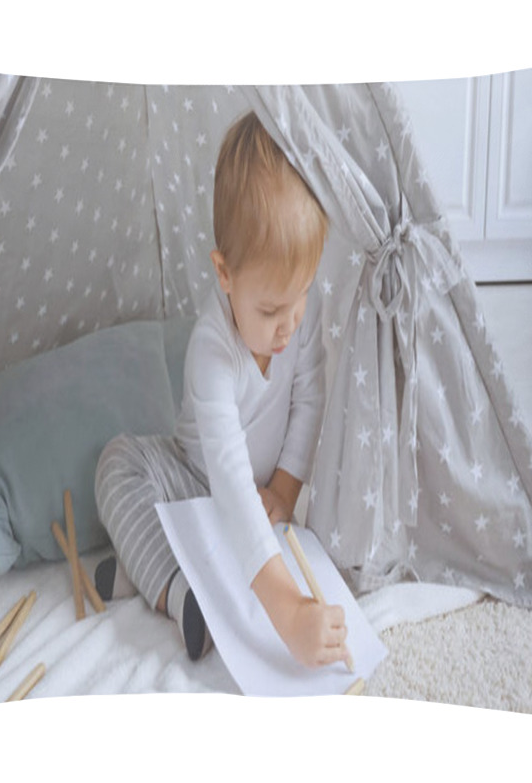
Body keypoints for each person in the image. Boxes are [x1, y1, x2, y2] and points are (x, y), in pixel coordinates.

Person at [94, 111, 350, 669]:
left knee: (247, 521)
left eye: (301, 295)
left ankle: (144, 572)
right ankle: (176, 591)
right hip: (197, 478)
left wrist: (284, 489)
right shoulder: (212, 352)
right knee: (117, 463)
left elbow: (310, 399)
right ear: (224, 273)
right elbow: (229, 481)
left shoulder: (298, 320)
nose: (289, 324)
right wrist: (288, 617)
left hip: (256, 498)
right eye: (270, 309)